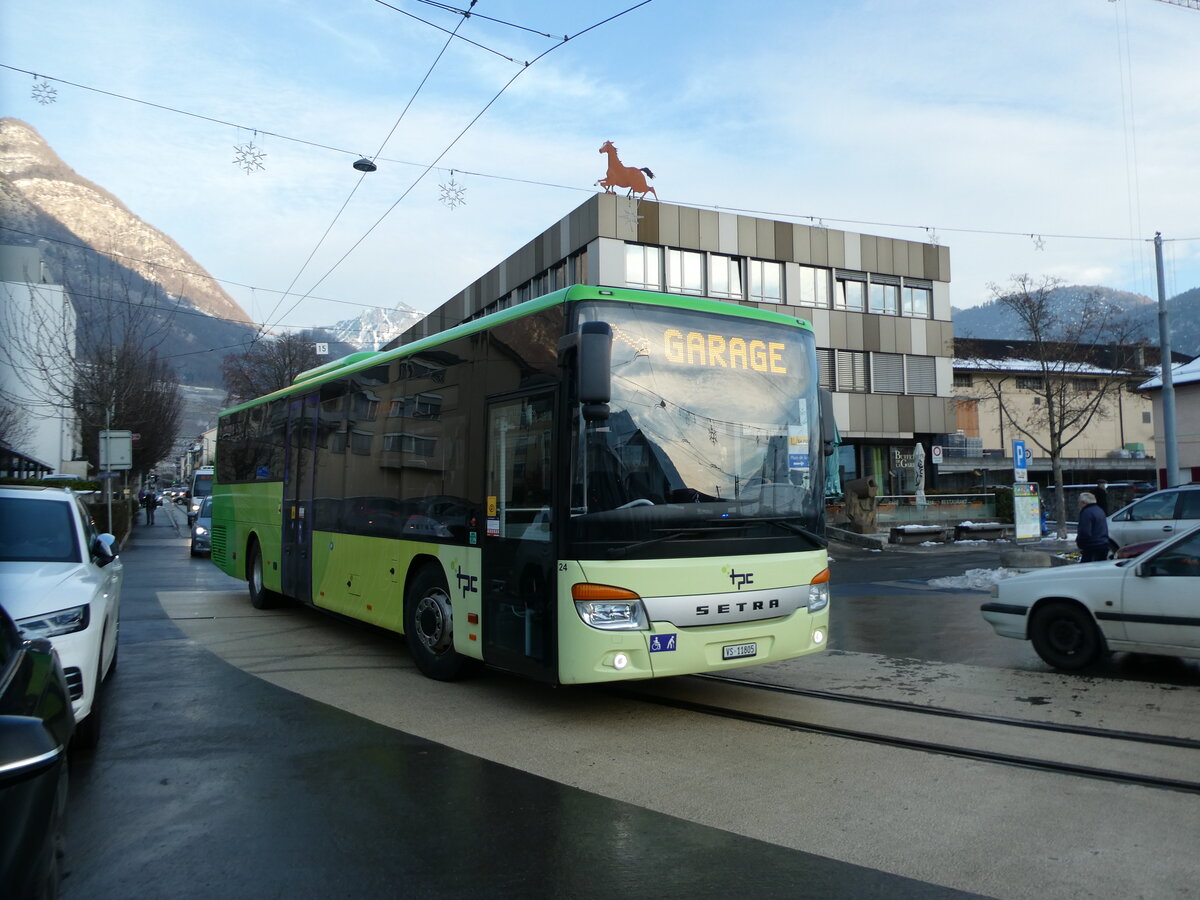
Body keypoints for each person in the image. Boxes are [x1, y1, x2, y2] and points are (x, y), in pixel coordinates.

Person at [1075, 492, 1109, 563]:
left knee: (1087, 570)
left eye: (1079, 503)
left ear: (1084, 502)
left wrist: (1080, 543)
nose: (1079, 505)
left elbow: (1085, 532)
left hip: (1092, 547)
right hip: (1103, 544)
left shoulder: (1086, 512)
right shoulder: (1099, 510)